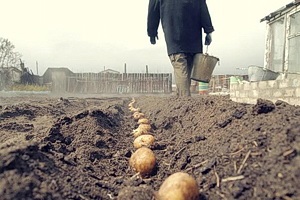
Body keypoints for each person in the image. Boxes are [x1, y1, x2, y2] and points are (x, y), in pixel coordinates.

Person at [147, 0, 214, 97]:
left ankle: (185, 102)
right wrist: (208, 31)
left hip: (174, 37)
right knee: (186, 71)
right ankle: (181, 102)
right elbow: (203, 10)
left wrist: (152, 33)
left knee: (180, 68)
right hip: (194, 38)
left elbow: (153, 12)